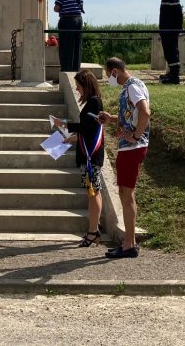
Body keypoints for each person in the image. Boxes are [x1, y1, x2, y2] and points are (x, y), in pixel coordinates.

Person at [97, 57, 150, 259]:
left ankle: (128, 244)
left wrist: (136, 135)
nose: (109, 79)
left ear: (114, 72)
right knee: (125, 194)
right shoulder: (133, 85)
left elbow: (145, 112)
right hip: (130, 146)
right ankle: (130, 241)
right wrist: (111, 119)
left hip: (132, 147)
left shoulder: (132, 87)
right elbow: (133, 113)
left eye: (108, 74)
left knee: (126, 196)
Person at [51, 69, 105, 247]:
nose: (77, 90)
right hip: (87, 152)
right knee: (92, 192)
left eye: (79, 86)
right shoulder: (91, 102)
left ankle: (93, 231)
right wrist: (72, 137)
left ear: (86, 85)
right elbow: (88, 129)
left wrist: (64, 124)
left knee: (93, 192)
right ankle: (93, 229)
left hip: (91, 155)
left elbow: (87, 126)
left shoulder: (95, 103)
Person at [53, 0, 84, 74]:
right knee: (76, 48)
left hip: (67, 21)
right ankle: (75, 73)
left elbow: (56, 9)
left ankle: (65, 74)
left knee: (65, 49)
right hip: (78, 21)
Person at [157, 0, 184, 84]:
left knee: (172, 52)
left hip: (170, 30)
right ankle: (171, 73)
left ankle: (174, 77)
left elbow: (178, 15)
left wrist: (177, 29)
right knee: (168, 52)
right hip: (166, 30)